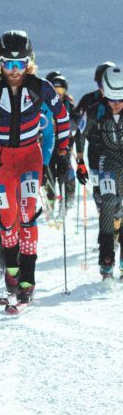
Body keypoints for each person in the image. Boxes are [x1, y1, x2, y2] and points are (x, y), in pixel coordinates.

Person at [0, 31, 70, 308]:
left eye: (20, 64)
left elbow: (62, 117)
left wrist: (62, 151)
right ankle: (11, 274)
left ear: (29, 63)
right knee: (7, 221)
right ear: (0, 63)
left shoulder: (40, 86)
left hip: (29, 158)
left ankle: (27, 281)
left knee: (27, 214)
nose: (14, 71)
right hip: (0, 159)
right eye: (8, 64)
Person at [83, 66, 123, 278]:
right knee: (107, 203)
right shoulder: (94, 107)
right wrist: (79, 159)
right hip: (103, 160)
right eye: (112, 99)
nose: (117, 104)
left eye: (120, 99)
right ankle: (106, 257)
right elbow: (80, 130)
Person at [75, 62, 115, 212]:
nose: (103, 88)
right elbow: (79, 129)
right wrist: (80, 162)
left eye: (106, 83)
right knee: (99, 193)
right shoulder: (89, 100)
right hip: (94, 152)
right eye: (100, 83)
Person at [43, 71, 78, 217]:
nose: (58, 94)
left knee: (66, 171)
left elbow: (76, 122)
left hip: (64, 144)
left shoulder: (68, 104)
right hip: (49, 144)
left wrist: (70, 129)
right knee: (49, 172)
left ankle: (67, 199)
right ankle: (50, 203)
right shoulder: (45, 102)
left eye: (61, 91)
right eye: (55, 91)